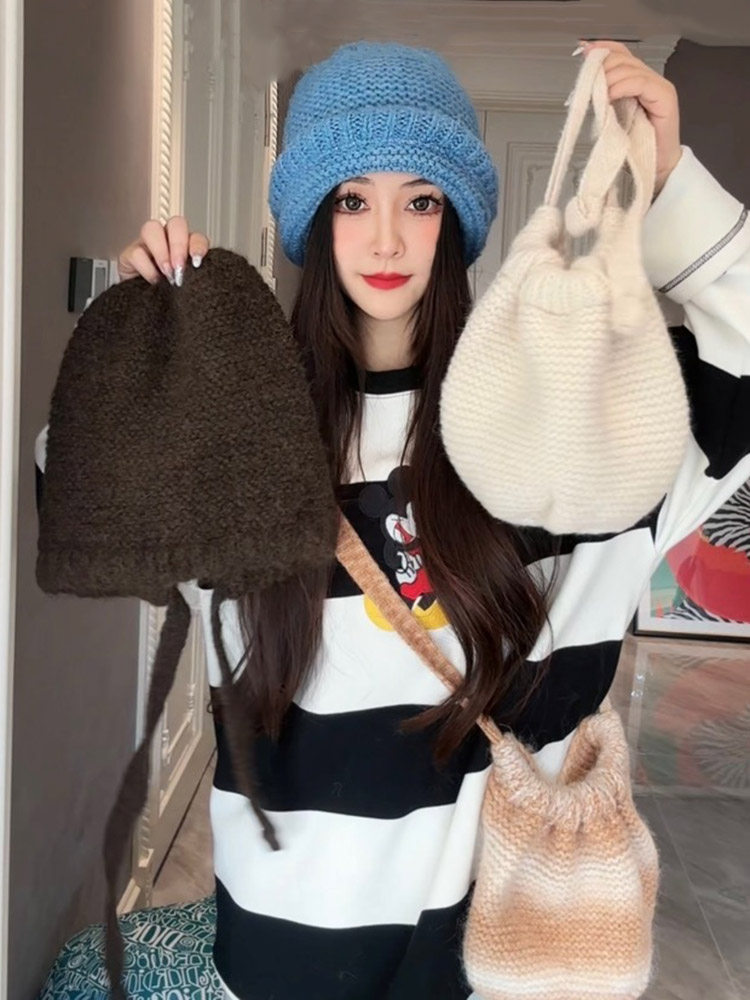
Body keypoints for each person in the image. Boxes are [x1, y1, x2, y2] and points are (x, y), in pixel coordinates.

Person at [36, 39, 750, 1000]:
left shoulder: (563, 424)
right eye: (351, 200)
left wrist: (669, 186)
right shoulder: (240, 434)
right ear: (312, 220)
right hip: (283, 970)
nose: (384, 241)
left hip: (504, 963)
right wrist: (147, 340)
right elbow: (78, 499)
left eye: (419, 201)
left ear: (455, 219)